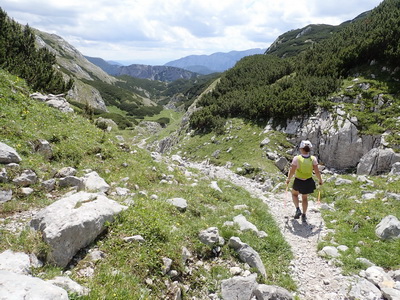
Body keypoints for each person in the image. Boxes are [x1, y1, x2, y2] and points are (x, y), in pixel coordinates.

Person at [285, 140, 323, 222]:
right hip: (308, 180)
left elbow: (292, 170)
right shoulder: (313, 159)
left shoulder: (297, 158)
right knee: (304, 198)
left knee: (294, 194)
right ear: (309, 149)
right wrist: (320, 180)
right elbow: (316, 171)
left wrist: (288, 179)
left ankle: (298, 209)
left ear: (301, 149)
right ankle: (304, 214)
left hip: (298, 180)